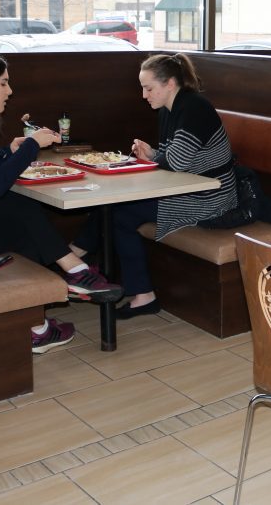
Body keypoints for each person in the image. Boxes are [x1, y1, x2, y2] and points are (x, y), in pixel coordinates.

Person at [0, 53, 123, 354]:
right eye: (3, 82)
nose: (9, 90)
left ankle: (41, 321)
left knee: (20, 211)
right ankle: (73, 277)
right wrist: (30, 146)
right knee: (21, 212)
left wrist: (6, 152)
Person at [71, 53, 238, 319]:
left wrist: (156, 157)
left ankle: (79, 265)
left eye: (148, 88)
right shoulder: (171, 109)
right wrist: (154, 154)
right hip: (187, 188)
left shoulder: (194, 107)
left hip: (209, 196)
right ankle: (80, 265)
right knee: (112, 208)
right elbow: (174, 156)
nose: (143, 95)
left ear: (170, 83)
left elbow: (177, 161)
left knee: (118, 214)